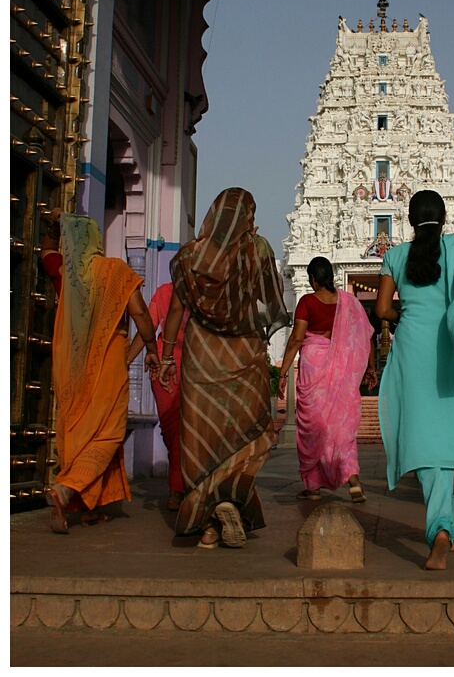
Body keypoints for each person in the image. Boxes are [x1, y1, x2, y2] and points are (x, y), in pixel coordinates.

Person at [375, 190, 454, 571]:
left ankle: (443, 529)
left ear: (410, 221)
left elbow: (382, 308)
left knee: (429, 444)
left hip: (414, 351)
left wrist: (409, 316)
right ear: (444, 217)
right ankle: (445, 528)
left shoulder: (395, 256)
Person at [157, 188, 290, 549]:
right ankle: (228, 501)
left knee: (203, 438)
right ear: (246, 218)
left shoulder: (188, 257)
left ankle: (209, 525)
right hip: (244, 355)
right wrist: (248, 252)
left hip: (201, 358)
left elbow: (174, 313)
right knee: (243, 433)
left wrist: (167, 357)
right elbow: (268, 299)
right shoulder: (258, 249)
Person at [39, 208, 160, 533]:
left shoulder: (65, 272)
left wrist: (53, 226)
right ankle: (66, 488)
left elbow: (46, 252)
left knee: (78, 430)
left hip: (70, 368)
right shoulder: (115, 271)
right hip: (106, 366)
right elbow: (141, 315)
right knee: (108, 434)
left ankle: (89, 507)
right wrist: (150, 349)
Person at [277, 257, 377, 503]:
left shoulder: (308, 301)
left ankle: (312, 486)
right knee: (341, 426)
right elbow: (365, 336)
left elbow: (296, 338)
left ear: (312, 279)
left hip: (313, 366)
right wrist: (371, 368)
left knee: (314, 428)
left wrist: (283, 371)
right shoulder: (350, 302)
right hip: (343, 369)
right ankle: (352, 477)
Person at [127, 282, 189, 510]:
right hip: (177, 366)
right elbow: (149, 326)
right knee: (177, 430)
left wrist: (127, 360)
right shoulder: (181, 291)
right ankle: (177, 488)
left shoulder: (168, 291)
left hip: (171, 365)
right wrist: (127, 360)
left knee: (175, 430)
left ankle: (178, 488)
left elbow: (148, 327)